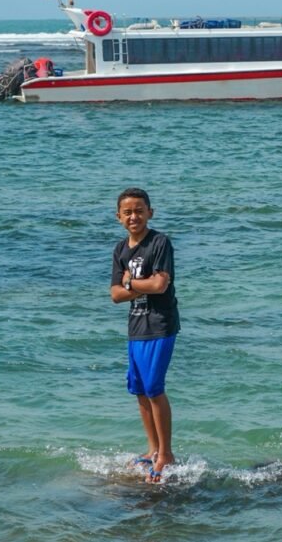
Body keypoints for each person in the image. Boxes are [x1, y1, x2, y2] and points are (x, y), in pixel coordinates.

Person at [110, 187, 180, 483]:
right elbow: (114, 295)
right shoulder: (120, 249)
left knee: (154, 387)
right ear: (118, 217)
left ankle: (166, 454)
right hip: (136, 327)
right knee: (139, 390)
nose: (134, 216)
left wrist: (131, 283)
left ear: (150, 212)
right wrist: (137, 284)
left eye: (139, 210)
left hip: (161, 324)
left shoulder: (159, 242)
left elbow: (160, 285)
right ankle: (152, 450)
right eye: (127, 212)